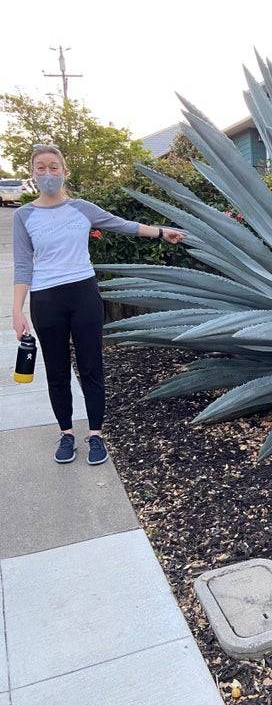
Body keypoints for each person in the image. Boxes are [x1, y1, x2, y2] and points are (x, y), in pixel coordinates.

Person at [11, 143, 186, 465]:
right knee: (57, 370)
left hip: (83, 294)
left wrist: (162, 232)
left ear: (64, 172)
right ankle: (66, 433)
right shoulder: (24, 215)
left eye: (53, 167)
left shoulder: (82, 209)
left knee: (91, 366)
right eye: (41, 167)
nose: (47, 173)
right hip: (46, 299)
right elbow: (23, 266)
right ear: (33, 173)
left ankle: (95, 434)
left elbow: (123, 225)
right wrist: (17, 310)